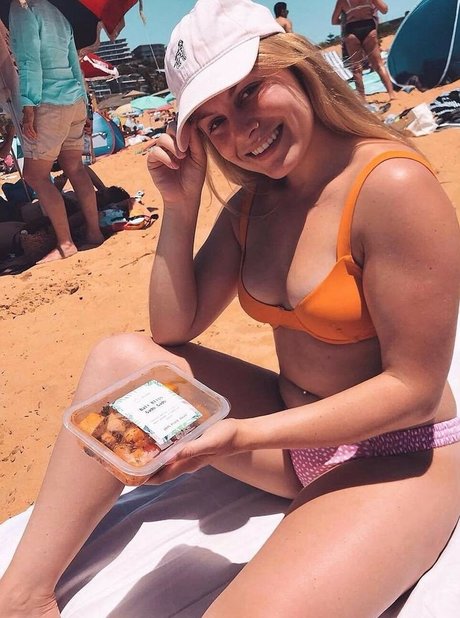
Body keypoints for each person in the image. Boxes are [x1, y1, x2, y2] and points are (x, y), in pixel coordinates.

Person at [1, 0, 460, 614]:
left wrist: (240, 435)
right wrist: (180, 205)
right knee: (121, 359)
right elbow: (173, 329)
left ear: (298, 67)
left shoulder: (390, 186)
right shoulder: (256, 204)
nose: (241, 131)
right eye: (213, 122)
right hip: (292, 442)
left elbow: (415, 389)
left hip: (396, 451)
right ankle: (22, 593)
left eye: (248, 92)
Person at [8, 0, 104, 263]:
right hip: (73, 100)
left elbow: (29, 62)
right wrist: (85, 105)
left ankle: (65, 243)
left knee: (35, 176)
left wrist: (28, 105)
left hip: (48, 103)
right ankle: (94, 232)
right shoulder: (58, 12)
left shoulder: (22, 9)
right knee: (76, 168)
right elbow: (74, 61)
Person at [332, 0, 395, 101]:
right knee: (379, 65)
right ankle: (391, 94)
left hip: (351, 29)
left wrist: (345, 21)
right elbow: (384, 9)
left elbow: (334, 21)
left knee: (356, 68)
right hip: (368, 27)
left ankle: (362, 99)